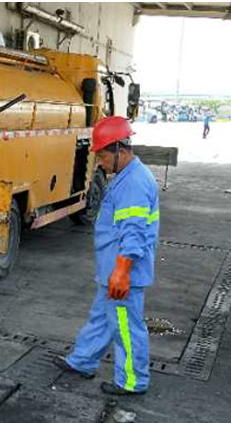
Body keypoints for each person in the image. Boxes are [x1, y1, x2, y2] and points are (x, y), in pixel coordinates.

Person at [60, 116, 160, 395]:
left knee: (126, 327)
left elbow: (133, 234)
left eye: (102, 156)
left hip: (123, 272)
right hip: (113, 270)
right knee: (102, 319)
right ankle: (82, 361)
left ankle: (132, 381)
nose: (100, 163)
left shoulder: (133, 183)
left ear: (120, 150)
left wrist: (122, 272)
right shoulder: (127, 177)